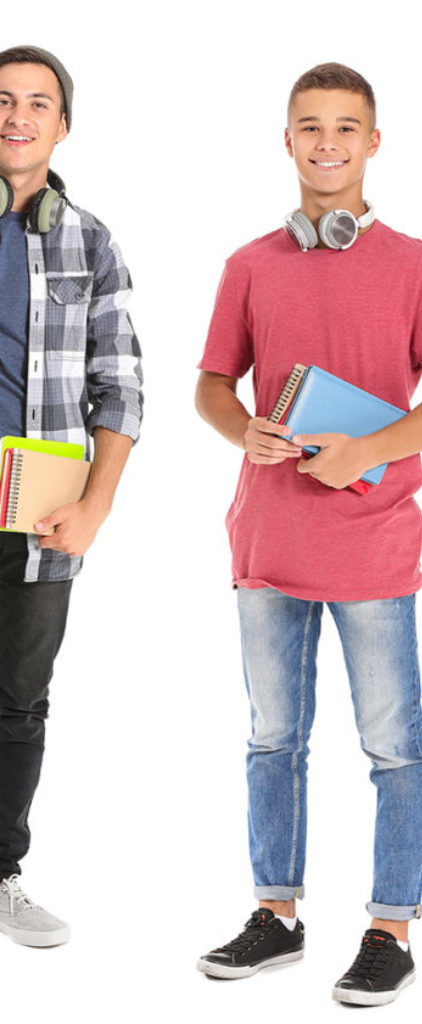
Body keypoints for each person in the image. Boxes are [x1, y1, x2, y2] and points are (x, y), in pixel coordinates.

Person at [194, 62, 422, 1006]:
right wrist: (247, 431)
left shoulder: (414, 263)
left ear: (373, 143)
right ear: (286, 141)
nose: (327, 143)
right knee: (271, 738)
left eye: (345, 128)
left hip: (373, 543)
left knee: (393, 744)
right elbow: (211, 385)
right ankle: (275, 917)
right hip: (267, 541)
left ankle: (390, 929)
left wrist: (370, 445)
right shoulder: (248, 265)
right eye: (309, 127)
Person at [0, 45, 142, 949]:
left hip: (39, 515)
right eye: (2, 100)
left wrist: (96, 506)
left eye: (36, 104)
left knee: (18, 697)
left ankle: (2, 872)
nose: (16, 115)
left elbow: (120, 385)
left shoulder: (87, 239)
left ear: (62, 126)